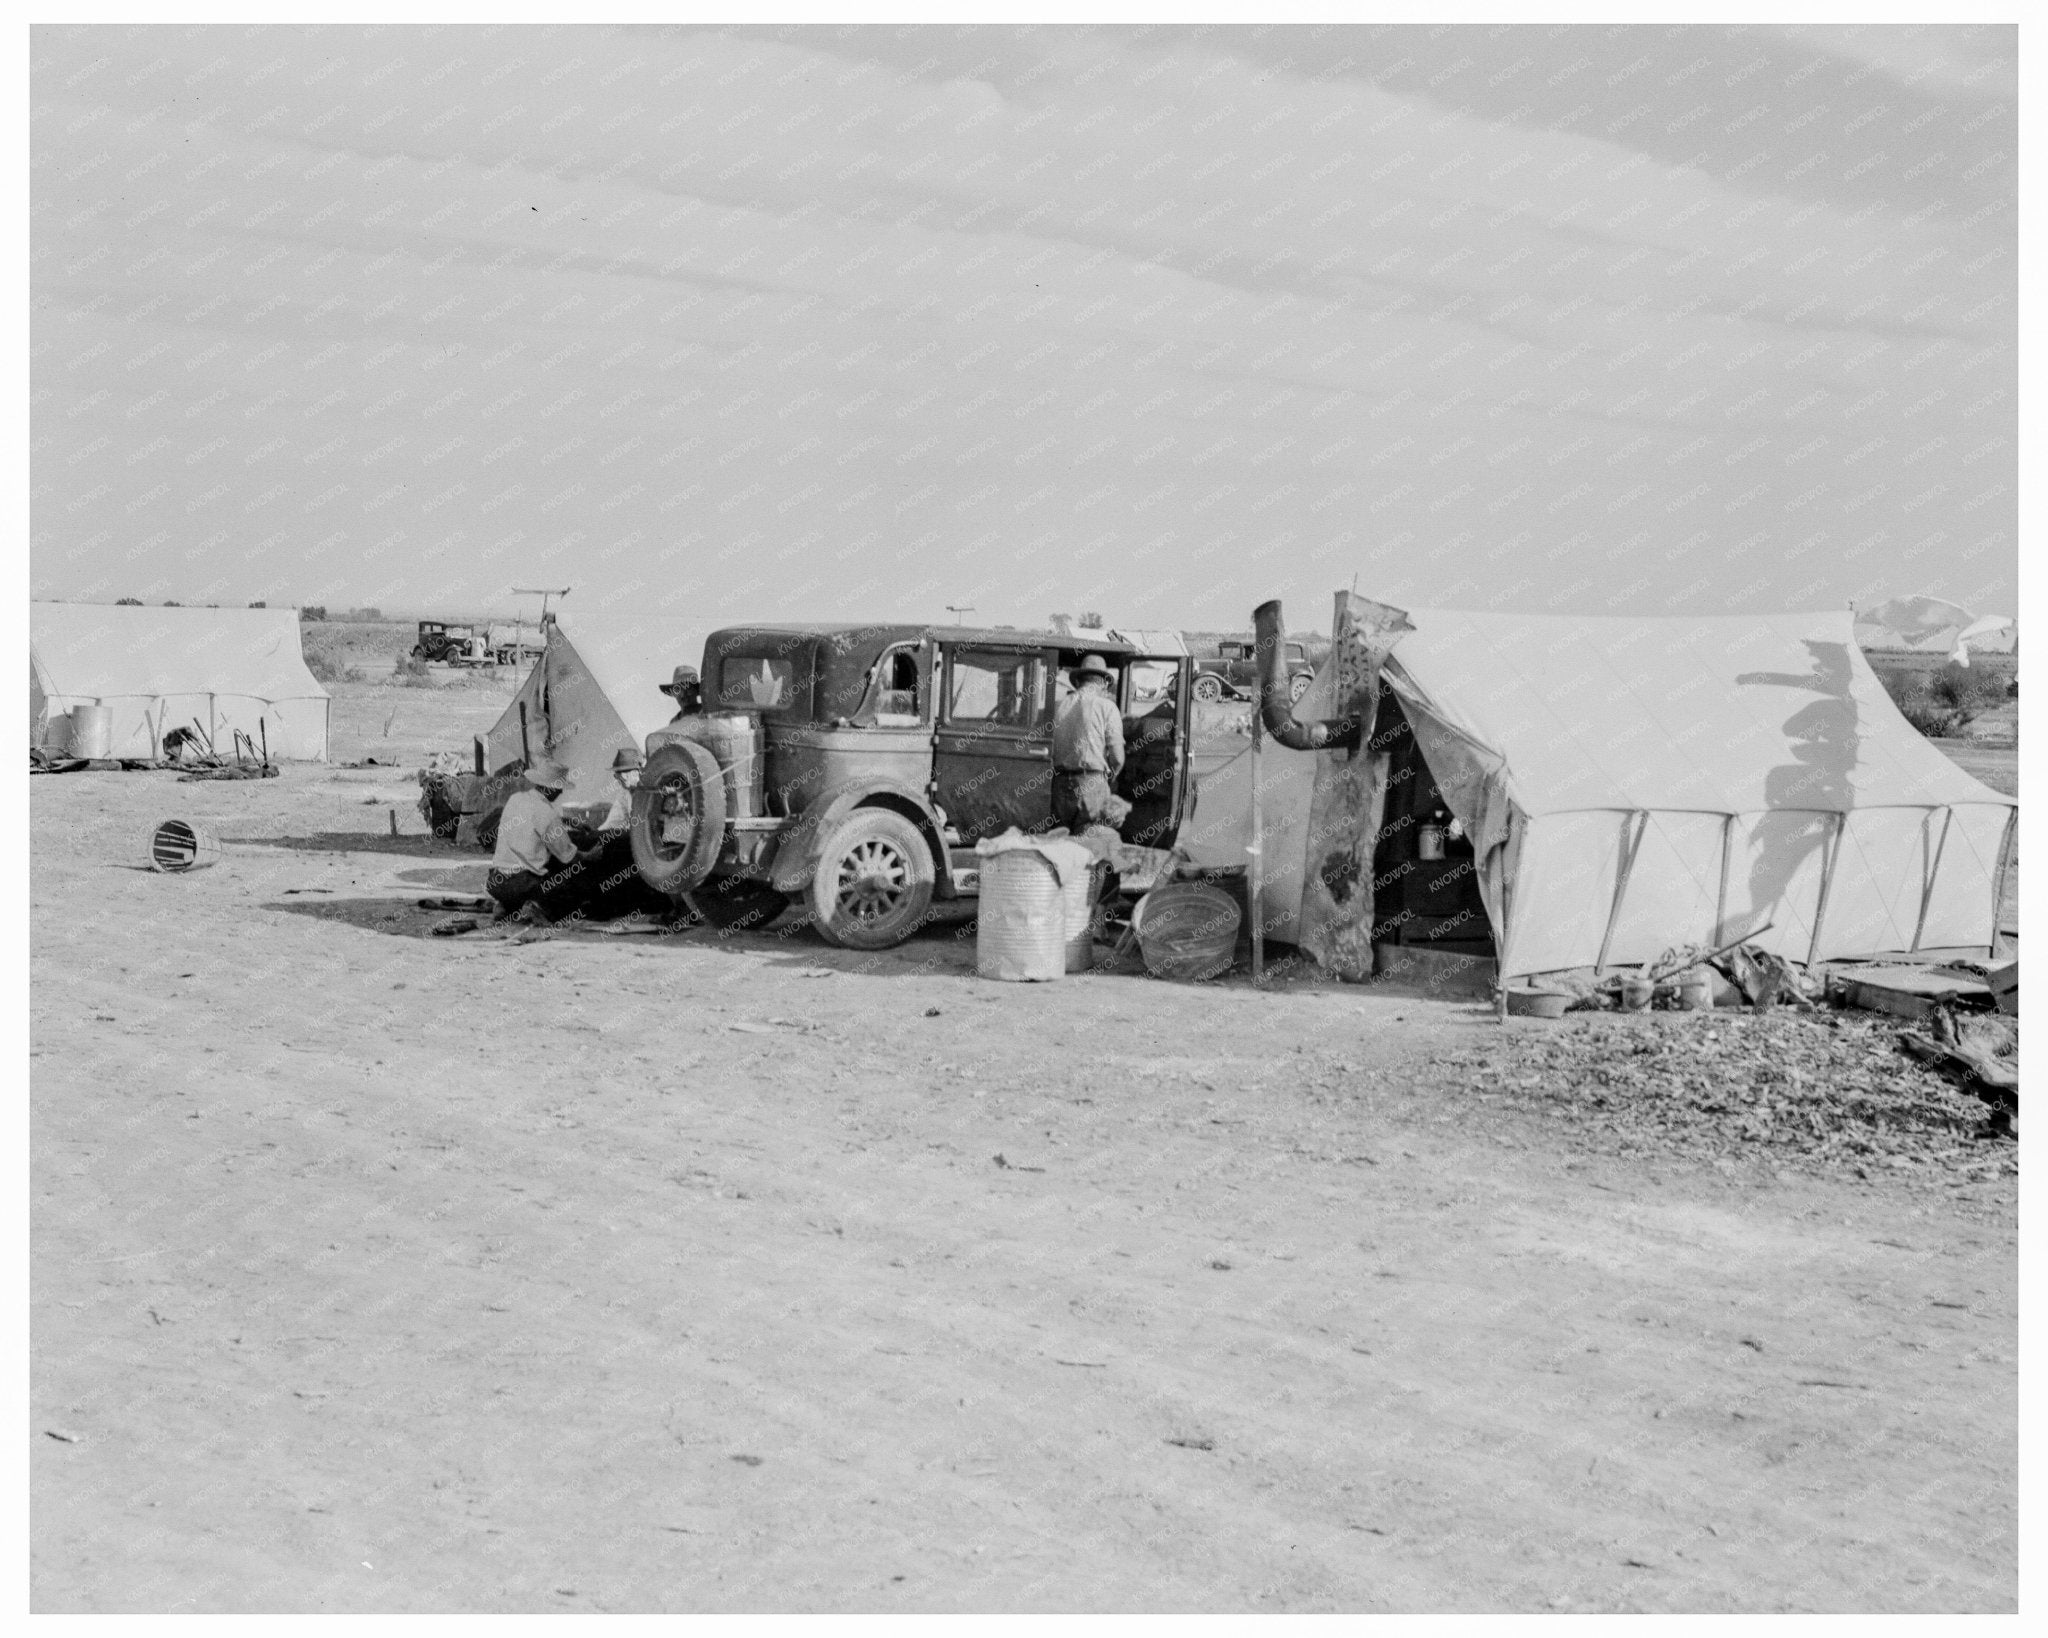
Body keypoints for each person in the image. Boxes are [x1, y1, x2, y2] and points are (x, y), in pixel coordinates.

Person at [485, 757, 601, 925]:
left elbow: (532, 818)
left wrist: (567, 821)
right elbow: (568, 855)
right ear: (550, 788)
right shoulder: (547, 813)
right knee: (572, 894)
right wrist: (589, 856)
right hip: (523, 884)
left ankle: (508, 906)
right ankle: (535, 907)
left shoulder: (515, 799)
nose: (561, 792)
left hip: (497, 881)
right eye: (559, 788)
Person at [1051, 653, 1126, 832]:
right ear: (1104, 683)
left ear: (1078, 681)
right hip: (1091, 784)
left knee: (1060, 845)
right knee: (1091, 845)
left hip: (1060, 785)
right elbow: (1118, 757)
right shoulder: (1106, 707)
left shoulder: (1058, 706)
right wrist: (1110, 779)